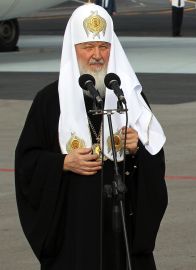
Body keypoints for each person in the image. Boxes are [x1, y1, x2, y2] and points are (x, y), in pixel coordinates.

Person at [15, 4, 168, 270]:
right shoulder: (50, 101)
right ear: (73, 49)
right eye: (88, 47)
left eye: (103, 46)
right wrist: (63, 163)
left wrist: (137, 149)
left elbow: (156, 162)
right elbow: (27, 162)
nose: (96, 55)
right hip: (74, 228)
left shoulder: (128, 97)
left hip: (122, 227)